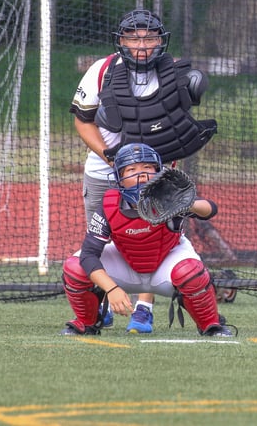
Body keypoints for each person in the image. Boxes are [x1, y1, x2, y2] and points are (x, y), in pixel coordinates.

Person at [69, 9, 216, 333]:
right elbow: (82, 120)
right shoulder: (102, 70)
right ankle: (100, 303)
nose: (141, 44)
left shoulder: (171, 71)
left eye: (149, 37)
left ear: (160, 41)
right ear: (121, 41)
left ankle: (144, 308)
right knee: (101, 240)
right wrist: (108, 155)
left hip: (153, 169)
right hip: (103, 166)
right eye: (133, 37)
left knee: (154, 235)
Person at [59, 143, 234, 338]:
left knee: (191, 272)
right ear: (120, 178)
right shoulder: (110, 204)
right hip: (125, 265)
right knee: (74, 267)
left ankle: (211, 325)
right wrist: (111, 289)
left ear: (158, 172)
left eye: (147, 168)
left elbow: (211, 209)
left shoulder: (169, 195)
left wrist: (187, 203)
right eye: (131, 169)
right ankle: (87, 323)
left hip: (166, 264)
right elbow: (89, 254)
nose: (140, 174)